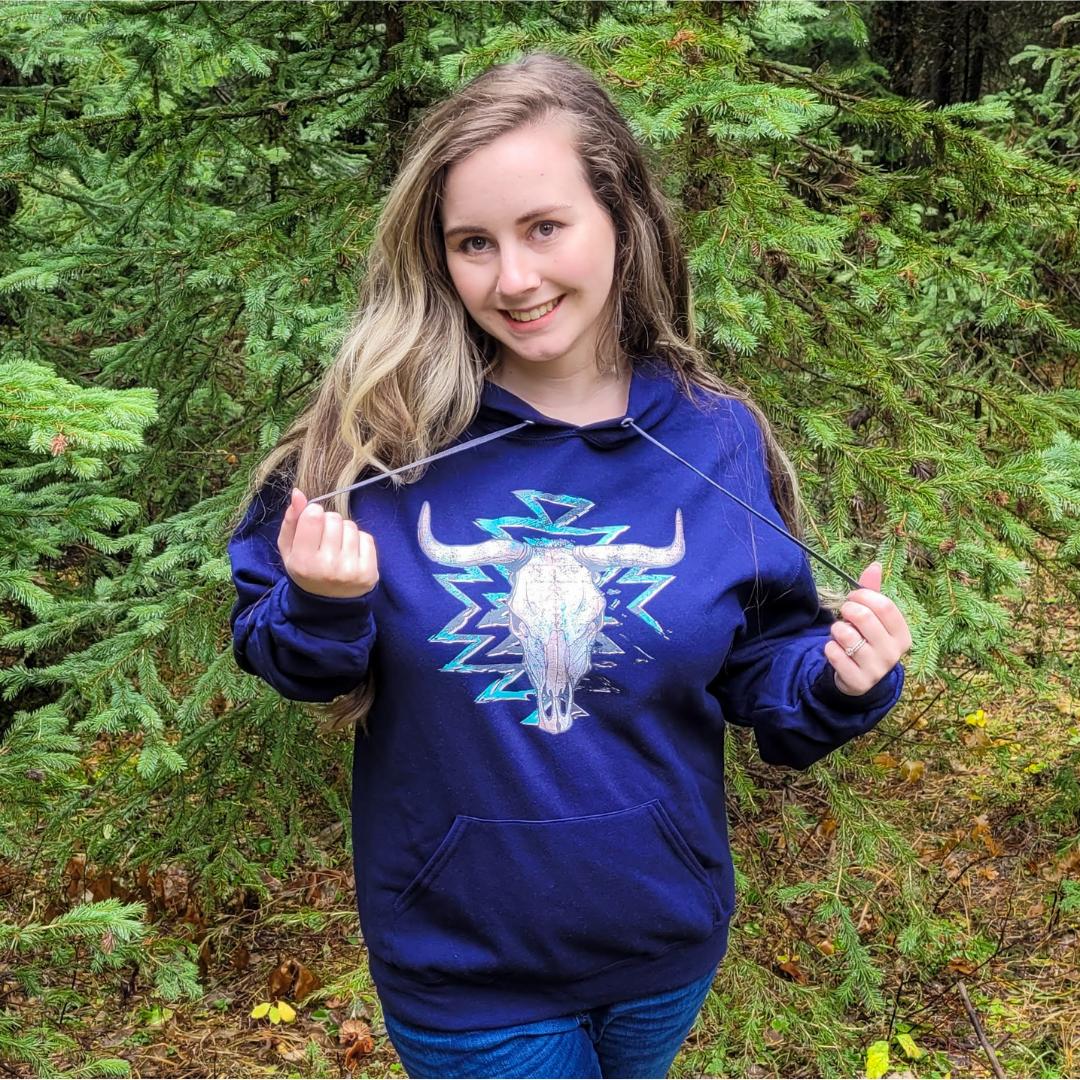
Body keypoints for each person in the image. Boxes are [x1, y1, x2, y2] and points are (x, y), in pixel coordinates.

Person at [227, 51, 911, 1080]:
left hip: (663, 945)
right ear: (438, 255)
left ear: (621, 219)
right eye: (474, 243)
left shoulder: (714, 438)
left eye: (545, 227)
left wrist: (839, 676)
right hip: (467, 968)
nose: (514, 278)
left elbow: (762, 660)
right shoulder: (380, 441)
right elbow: (279, 650)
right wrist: (322, 605)